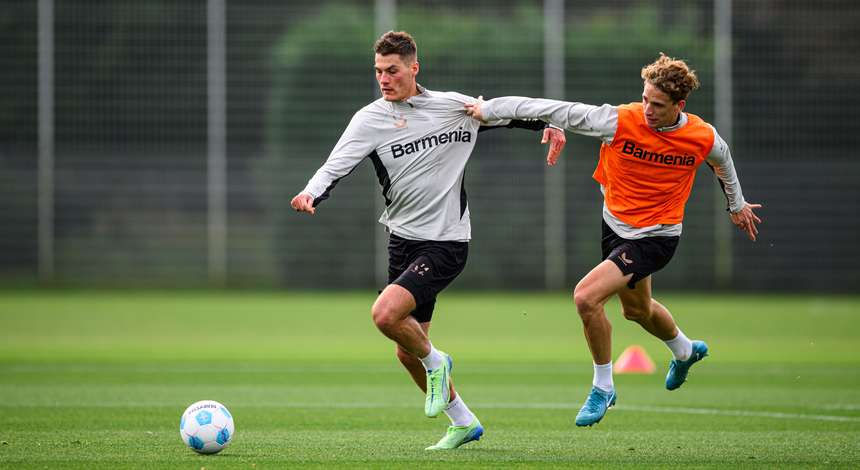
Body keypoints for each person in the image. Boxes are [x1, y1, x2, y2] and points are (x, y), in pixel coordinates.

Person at [290, 31, 567, 449]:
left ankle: (438, 364)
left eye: (393, 70)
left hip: (447, 241)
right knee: (406, 349)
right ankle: (463, 421)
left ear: (414, 68)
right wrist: (311, 191)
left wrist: (550, 124)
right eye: (379, 71)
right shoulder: (369, 119)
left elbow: (502, 114)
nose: (384, 79)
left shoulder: (451, 107)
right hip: (402, 242)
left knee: (385, 316)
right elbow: (335, 164)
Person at [465, 53, 762, 427]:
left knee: (586, 297)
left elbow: (723, 158)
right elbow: (550, 108)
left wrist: (736, 204)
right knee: (637, 310)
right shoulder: (619, 121)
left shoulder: (701, 136)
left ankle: (603, 387)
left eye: (657, 105)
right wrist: (488, 109)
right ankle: (686, 351)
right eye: (645, 99)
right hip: (615, 228)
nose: (648, 110)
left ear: (679, 106)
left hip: (657, 237)